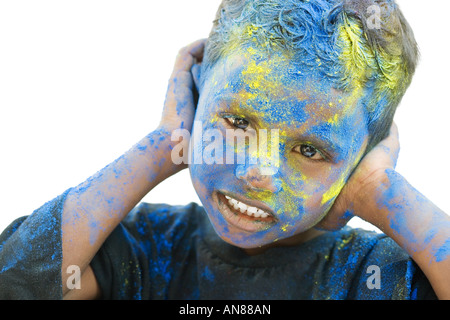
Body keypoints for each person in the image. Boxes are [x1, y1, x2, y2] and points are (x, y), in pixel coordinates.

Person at [0, 0, 449, 300]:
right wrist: (163, 146)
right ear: (193, 100)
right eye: (237, 123)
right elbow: (14, 282)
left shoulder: (372, 275)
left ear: (361, 158)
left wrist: (382, 192)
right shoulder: (140, 247)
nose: (259, 171)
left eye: (310, 150)